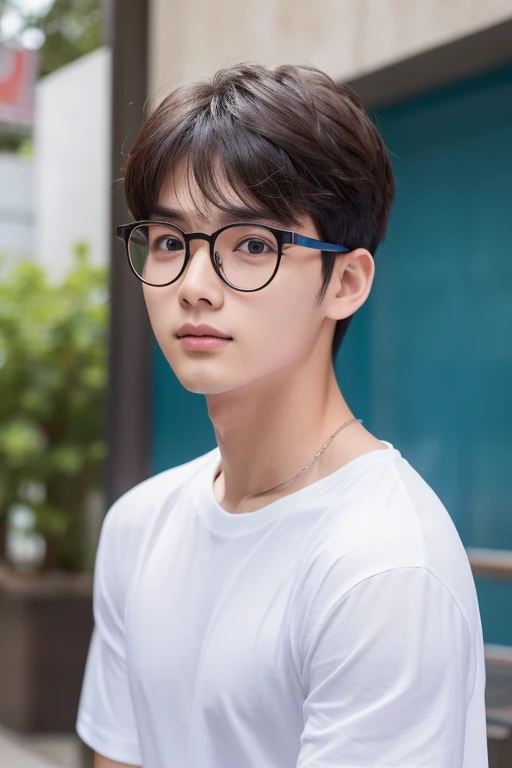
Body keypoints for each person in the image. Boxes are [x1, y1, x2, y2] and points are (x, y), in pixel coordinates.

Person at [76, 62, 488, 768]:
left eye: (254, 246)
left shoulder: (383, 567)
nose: (195, 286)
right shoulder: (139, 525)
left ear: (346, 283)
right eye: (171, 241)